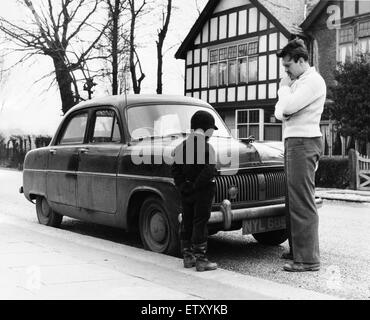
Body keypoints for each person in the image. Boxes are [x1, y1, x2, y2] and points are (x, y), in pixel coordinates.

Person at [274, 39, 326, 272]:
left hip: (304, 141)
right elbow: (278, 114)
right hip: (295, 141)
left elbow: (286, 109)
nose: (285, 72)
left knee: (302, 201)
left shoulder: (313, 81)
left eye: (288, 66)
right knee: (292, 199)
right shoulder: (299, 82)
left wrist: (283, 90)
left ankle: (307, 260)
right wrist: (285, 96)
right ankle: (298, 250)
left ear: (302, 60)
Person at [172, 110, 218, 272]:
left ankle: (188, 257)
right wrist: (197, 185)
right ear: (206, 130)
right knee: (200, 222)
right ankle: (201, 260)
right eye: (211, 130)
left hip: (186, 191)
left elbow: (175, 171)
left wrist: (185, 186)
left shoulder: (180, 147)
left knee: (187, 221)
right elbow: (209, 171)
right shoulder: (208, 148)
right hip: (203, 192)